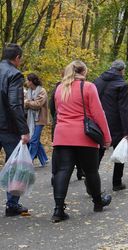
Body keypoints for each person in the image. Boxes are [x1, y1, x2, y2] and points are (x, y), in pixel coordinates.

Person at [52, 60, 112, 222]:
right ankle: (98, 203)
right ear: (84, 72)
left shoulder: (60, 88)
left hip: (62, 135)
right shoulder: (88, 87)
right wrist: (106, 138)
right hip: (83, 135)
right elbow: (99, 113)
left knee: (63, 171)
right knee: (91, 171)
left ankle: (58, 210)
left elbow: (57, 112)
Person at [0, 43, 30, 216]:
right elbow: (14, 104)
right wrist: (24, 130)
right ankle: (12, 205)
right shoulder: (14, 74)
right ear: (17, 58)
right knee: (15, 166)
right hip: (8, 128)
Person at [94, 60, 128, 191]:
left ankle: (91, 181)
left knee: (99, 151)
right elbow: (123, 109)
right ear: (122, 70)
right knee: (120, 152)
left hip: (97, 122)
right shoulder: (122, 84)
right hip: (115, 123)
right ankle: (117, 182)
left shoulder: (97, 81)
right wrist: (126, 131)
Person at [49, 78, 85, 181]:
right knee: (77, 148)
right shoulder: (76, 87)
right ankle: (79, 171)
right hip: (72, 124)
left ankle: (55, 174)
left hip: (59, 123)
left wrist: (57, 117)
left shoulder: (58, 87)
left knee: (58, 151)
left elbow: (52, 107)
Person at [25, 73, 49, 167]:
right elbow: (25, 103)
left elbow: (38, 104)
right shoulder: (29, 91)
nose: (26, 82)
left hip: (40, 119)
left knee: (33, 140)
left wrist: (27, 102)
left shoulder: (42, 91)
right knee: (36, 140)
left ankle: (28, 161)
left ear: (31, 81)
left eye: (27, 80)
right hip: (30, 119)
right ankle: (44, 159)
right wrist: (28, 103)